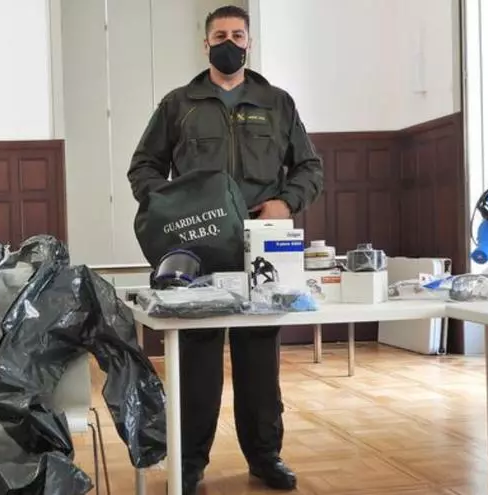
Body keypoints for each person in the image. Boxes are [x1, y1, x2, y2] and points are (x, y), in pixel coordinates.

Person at [126, 5, 323, 494]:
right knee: (196, 362)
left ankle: (265, 457)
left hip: (261, 248)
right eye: (220, 36)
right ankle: (189, 463)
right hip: (198, 250)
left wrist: (285, 202)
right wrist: (174, 208)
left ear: (249, 42)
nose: (229, 43)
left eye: (237, 35)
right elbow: (143, 168)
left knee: (260, 362)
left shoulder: (277, 103)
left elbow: (309, 168)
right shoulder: (179, 104)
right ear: (206, 44)